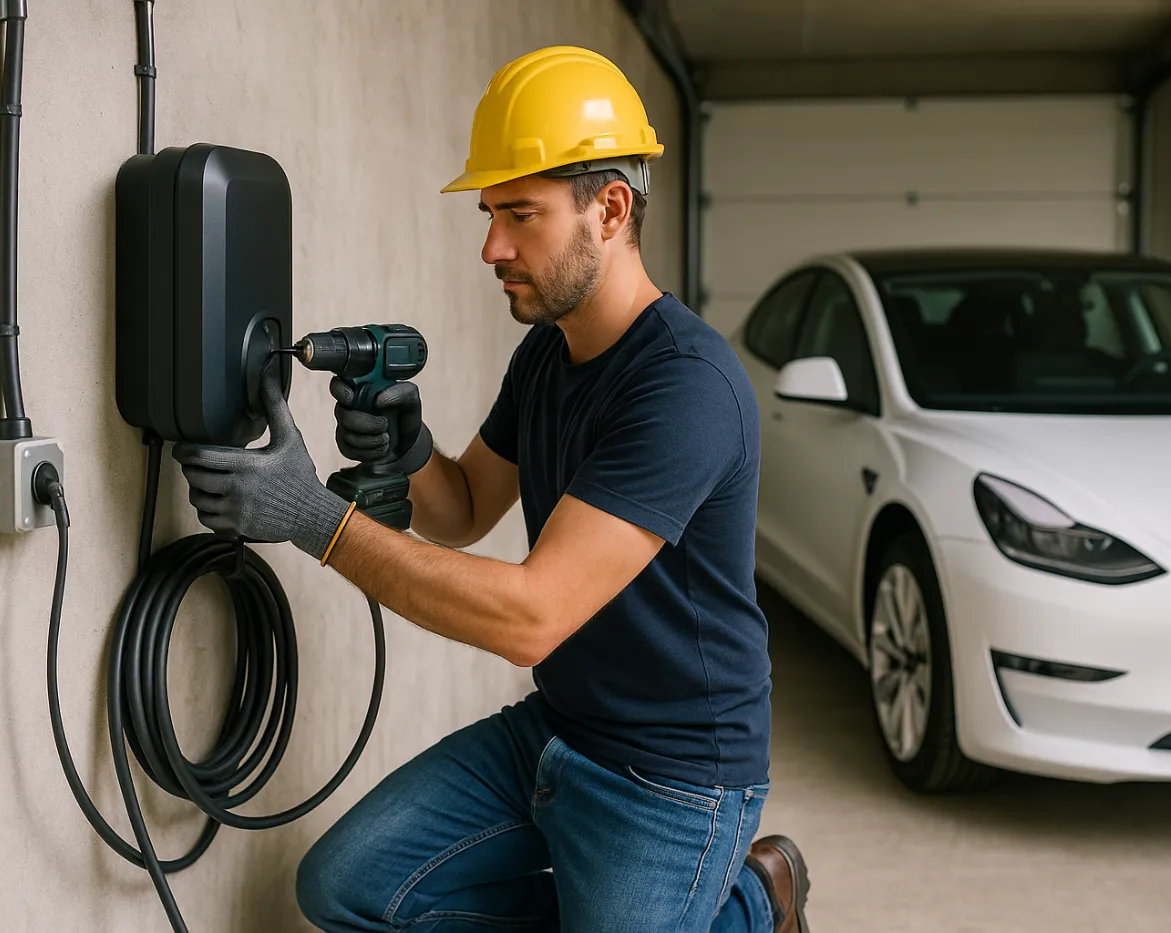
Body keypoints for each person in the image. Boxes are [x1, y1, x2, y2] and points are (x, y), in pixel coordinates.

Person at [172, 45, 810, 933]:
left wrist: (314, 517)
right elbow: (466, 507)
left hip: (672, 779)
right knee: (345, 888)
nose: (492, 247)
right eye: (490, 213)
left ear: (611, 210)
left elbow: (531, 617)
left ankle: (751, 901)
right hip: (558, 729)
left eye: (521, 214)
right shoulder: (549, 351)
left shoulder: (686, 387)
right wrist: (410, 448)